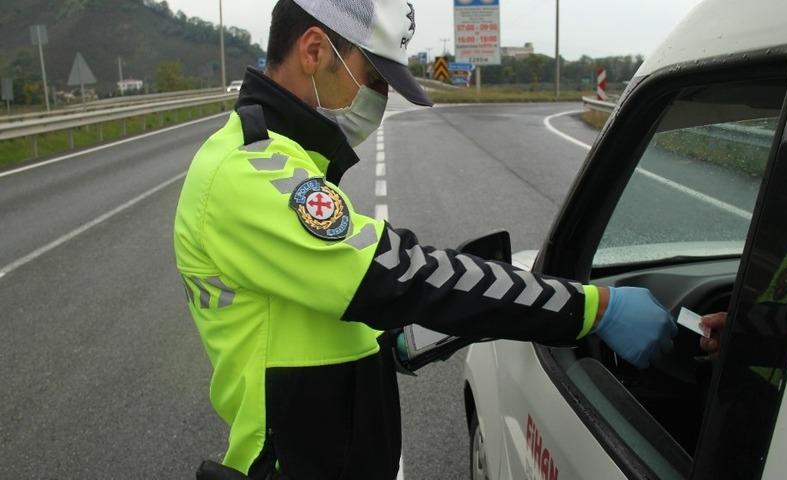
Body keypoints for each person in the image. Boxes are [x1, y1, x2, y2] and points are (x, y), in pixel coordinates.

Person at [173, 1, 677, 478]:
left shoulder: (295, 163)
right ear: (314, 51)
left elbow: (311, 310)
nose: (380, 100)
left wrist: (388, 342)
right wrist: (595, 308)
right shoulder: (250, 170)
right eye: (373, 79)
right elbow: (398, 276)